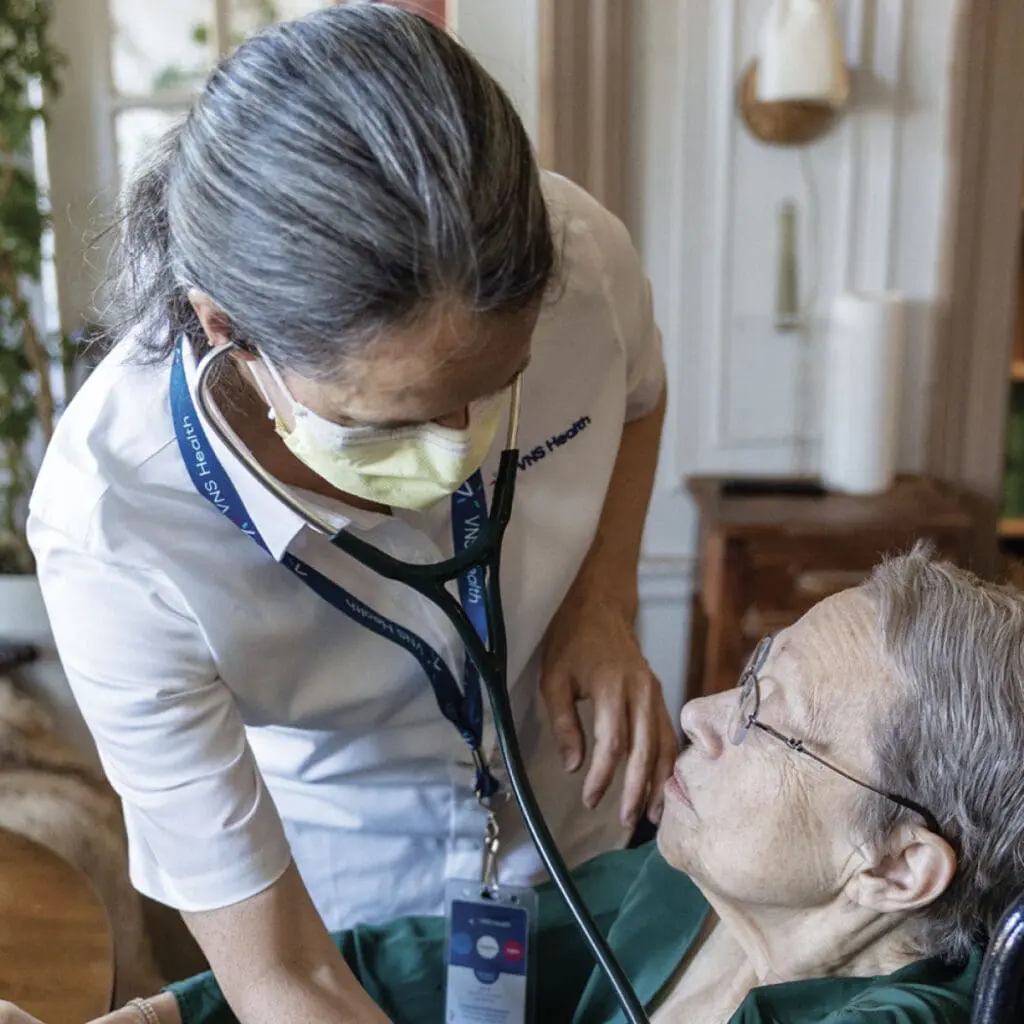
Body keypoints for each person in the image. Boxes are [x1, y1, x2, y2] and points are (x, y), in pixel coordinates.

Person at [26, 6, 675, 1023]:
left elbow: (636, 394)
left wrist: (603, 596)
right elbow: (285, 974)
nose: (461, 438)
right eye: (397, 419)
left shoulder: (582, 257)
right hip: (348, 893)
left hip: (575, 812)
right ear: (223, 326)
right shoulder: (116, 530)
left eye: (498, 387)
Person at [5, 546, 1018, 1024]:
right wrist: (152, 1022)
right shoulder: (686, 889)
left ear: (894, 864)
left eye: (769, 718)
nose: (703, 710)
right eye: (745, 677)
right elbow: (436, 961)